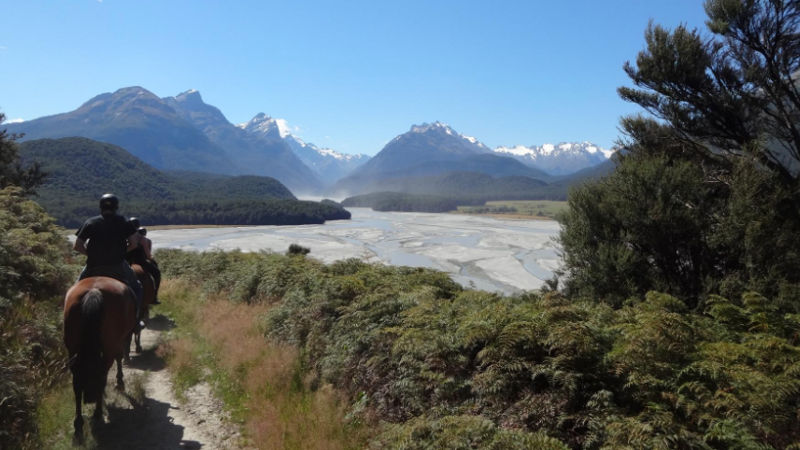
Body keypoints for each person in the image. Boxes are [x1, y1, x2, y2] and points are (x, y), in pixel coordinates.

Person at [74, 193, 144, 325]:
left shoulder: (91, 222)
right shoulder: (124, 222)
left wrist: (92, 254)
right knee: (137, 287)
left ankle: (69, 319)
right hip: (117, 265)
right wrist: (120, 253)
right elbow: (134, 243)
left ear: (100, 206)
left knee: (75, 288)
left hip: (93, 266)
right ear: (116, 207)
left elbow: (77, 246)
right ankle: (136, 319)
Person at [125, 218, 161, 304]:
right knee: (157, 274)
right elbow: (148, 255)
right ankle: (154, 297)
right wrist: (152, 259)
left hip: (126, 262)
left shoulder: (126, 236)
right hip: (140, 261)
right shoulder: (142, 238)